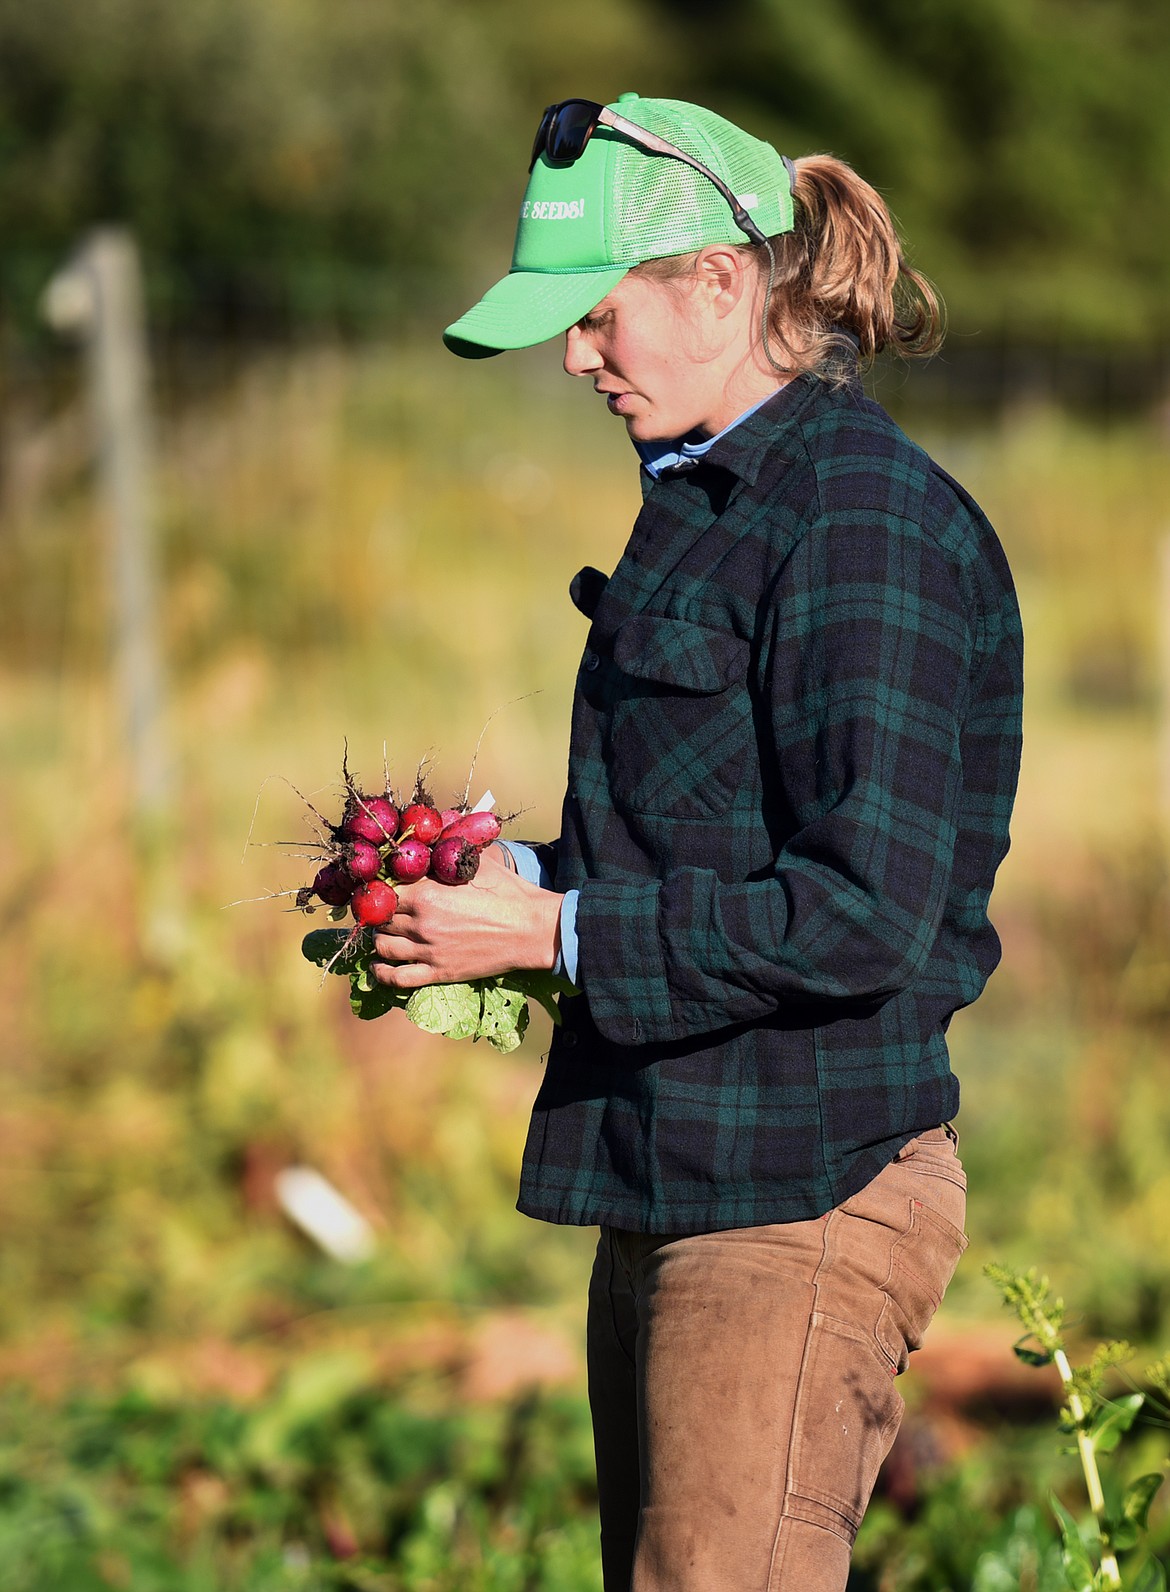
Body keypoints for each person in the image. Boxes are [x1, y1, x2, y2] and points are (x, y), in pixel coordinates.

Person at [369, 92, 1024, 1591]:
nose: (574, 356)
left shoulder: (857, 524)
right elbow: (705, 840)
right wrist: (519, 880)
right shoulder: (710, 502)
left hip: (800, 1187)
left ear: (720, 286)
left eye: (597, 315)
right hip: (679, 1167)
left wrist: (548, 940)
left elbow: (864, 910)